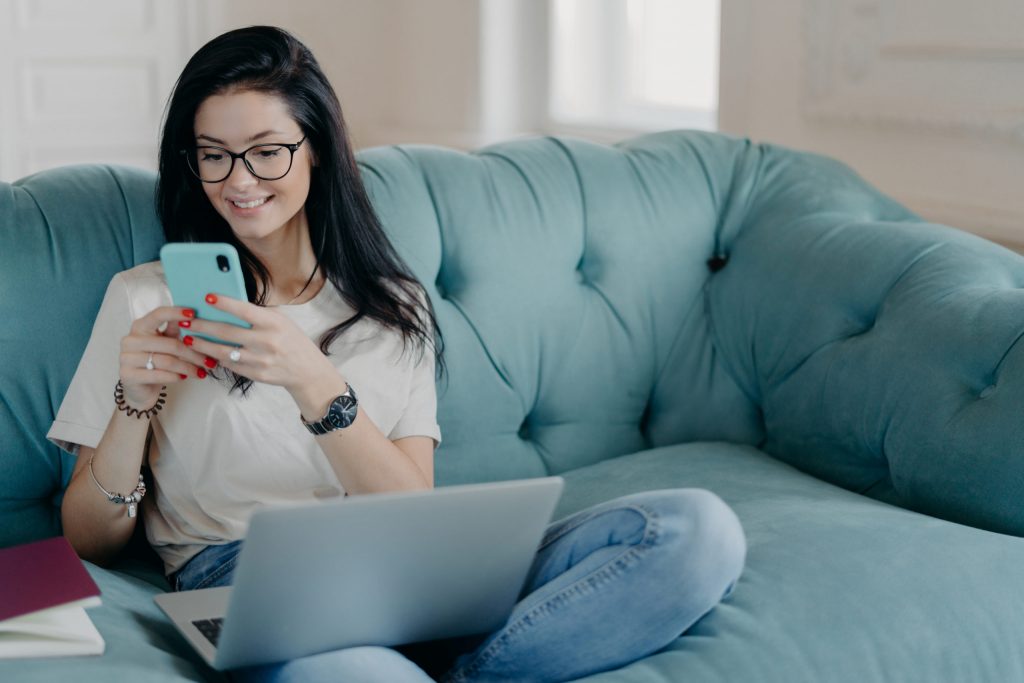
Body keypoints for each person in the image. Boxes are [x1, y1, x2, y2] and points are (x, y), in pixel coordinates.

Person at [49, 26, 747, 683]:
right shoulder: (150, 299)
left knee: (693, 531)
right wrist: (132, 404)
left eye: (267, 150)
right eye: (213, 154)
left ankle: (466, 666)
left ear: (315, 145)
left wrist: (314, 382)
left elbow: (410, 506)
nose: (238, 180)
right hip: (247, 576)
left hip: (404, 565)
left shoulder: (394, 306)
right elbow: (86, 541)